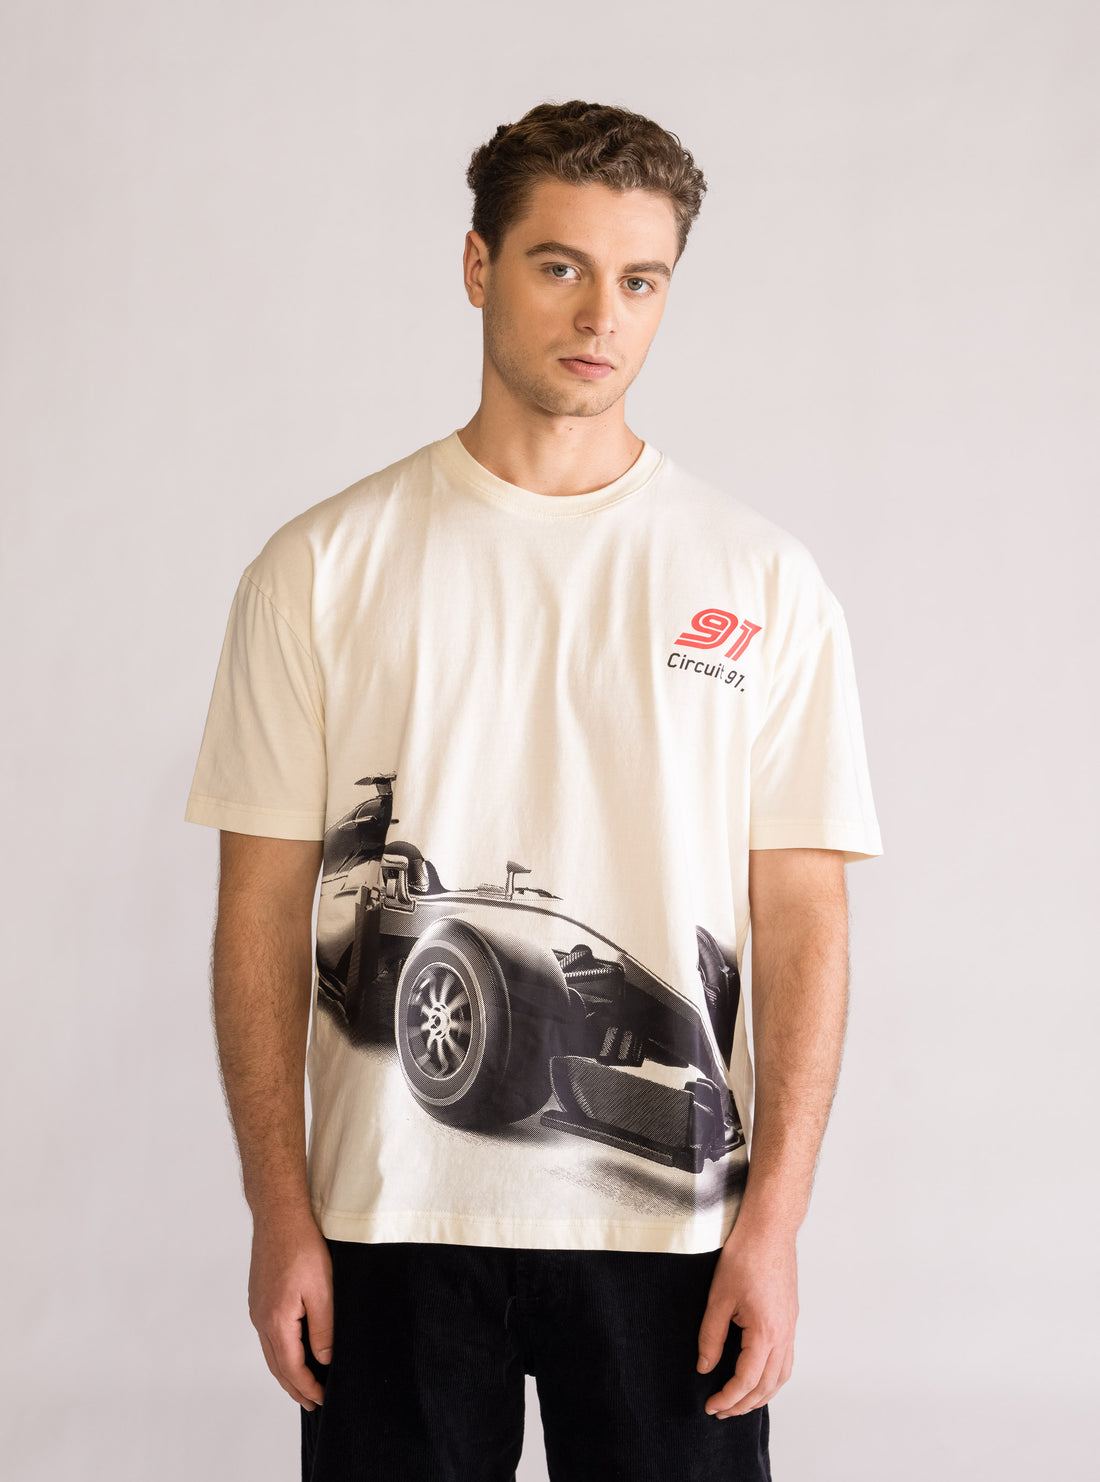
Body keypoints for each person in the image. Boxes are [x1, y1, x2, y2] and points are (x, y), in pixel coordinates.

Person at [184, 99, 882, 1482]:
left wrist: (775, 1224)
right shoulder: (320, 567)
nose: (601, 315)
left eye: (641, 280)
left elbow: (802, 917)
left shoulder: (760, 580)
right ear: (477, 266)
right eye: (560, 265)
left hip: (676, 1238)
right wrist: (279, 1210)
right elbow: (259, 911)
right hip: (389, 1222)